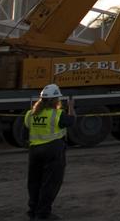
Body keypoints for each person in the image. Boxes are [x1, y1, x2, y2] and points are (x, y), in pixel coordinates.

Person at [26, 84, 74, 220]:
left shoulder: (30, 114)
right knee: (50, 184)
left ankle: (33, 211)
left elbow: (25, 133)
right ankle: (42, 215)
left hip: (34, 152)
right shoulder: (57, 114)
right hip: (53, 151)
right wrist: (71, 106)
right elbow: (72, 121)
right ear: (55, 100)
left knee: (34, 182)